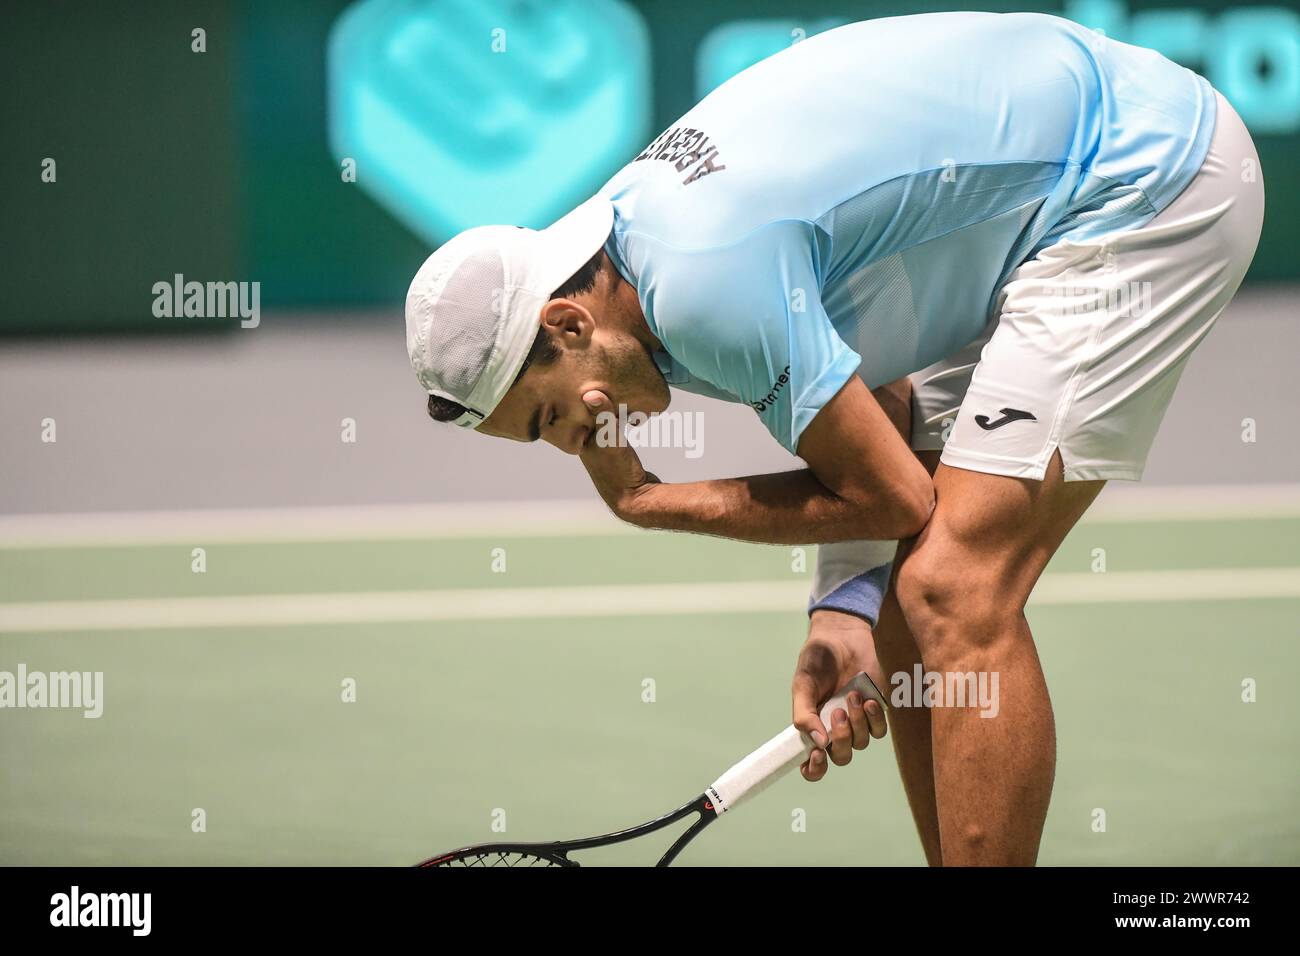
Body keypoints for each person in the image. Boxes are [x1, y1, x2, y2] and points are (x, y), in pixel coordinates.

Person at [403, 12, 1264, 864]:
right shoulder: (628, 264)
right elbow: (877, 392)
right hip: (1035, 197)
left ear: (566, 321)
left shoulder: (703, 283)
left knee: (955, 584)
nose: (575, 444)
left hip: (1142, 175)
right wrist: (843, 609)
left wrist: (649, 501)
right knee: (898, 599)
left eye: (551, 417)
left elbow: (896, 495)